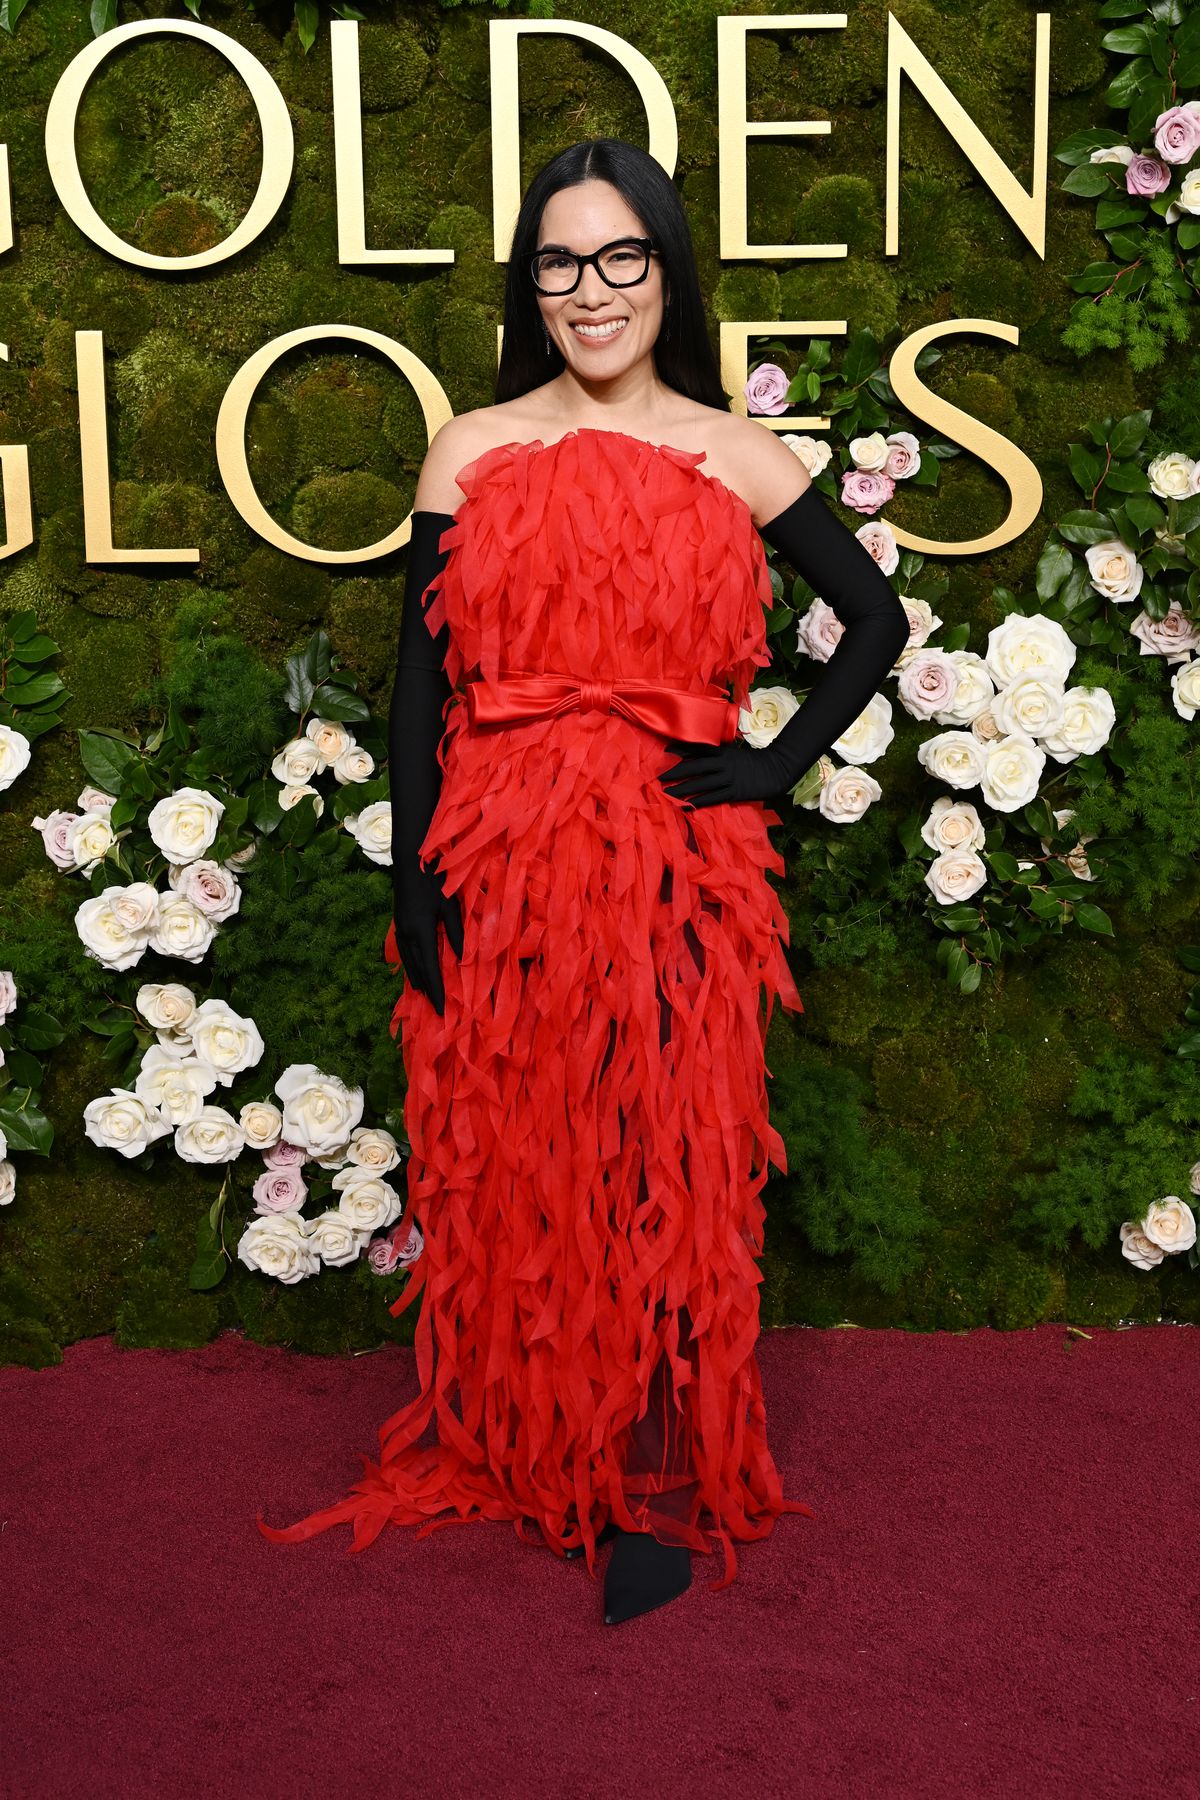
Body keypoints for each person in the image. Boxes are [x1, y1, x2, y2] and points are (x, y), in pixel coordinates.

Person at [257, 138, 911, 1626]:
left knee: (657, 1152)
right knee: (525, 1144)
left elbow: (870, 619)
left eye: (623, 257)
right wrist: (420, 875)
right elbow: (417, 688)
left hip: (679, 860)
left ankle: (618, 1455)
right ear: (528, 285)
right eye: (560, 262)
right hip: (503, 842)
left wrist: (769, 764)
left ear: (667, 271)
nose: (593, 288)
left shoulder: (735, 453)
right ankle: (567, 1469)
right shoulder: (469, 446)